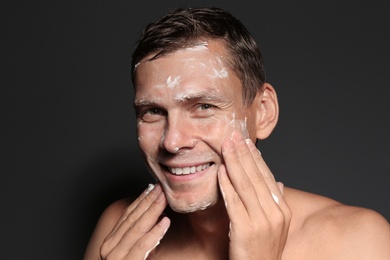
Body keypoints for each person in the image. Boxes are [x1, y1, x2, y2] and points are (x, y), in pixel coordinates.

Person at [84, 7, 390, 259]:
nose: (172, 141)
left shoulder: (357, 242)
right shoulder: (120, 228)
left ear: (263, 112)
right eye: (152, 112)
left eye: (203, 106)